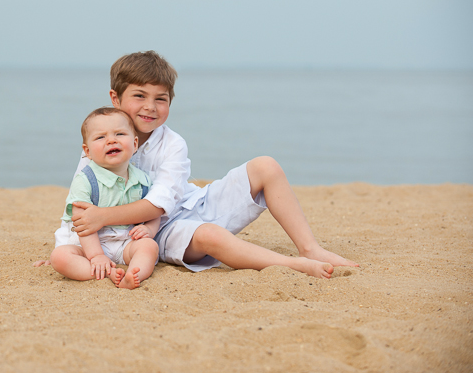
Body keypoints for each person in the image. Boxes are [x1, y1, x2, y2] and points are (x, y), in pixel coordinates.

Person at [37, 50, 357, 279]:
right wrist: (68, 247)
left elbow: (157, 202)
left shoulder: (172, 143)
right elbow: (82, 201)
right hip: (153, 232)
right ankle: (293, 265)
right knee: (212, 238)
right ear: (115, 98)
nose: (150, 107)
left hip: (185, 205)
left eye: (161, 99)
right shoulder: (101, 143)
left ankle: (310, 248)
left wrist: (102, 217)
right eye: (139, 96)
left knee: (265, 166)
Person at [50, 107, 160, 289]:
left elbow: (153, 210)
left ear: (134, 144)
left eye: (119, 134)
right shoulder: (85, 180)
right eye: (101, 137)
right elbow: (81, 223)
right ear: (88, 151)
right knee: (60, 257)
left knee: (149, 246)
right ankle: (107, 272)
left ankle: (134, 274)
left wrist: (149, 228)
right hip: (89, 244)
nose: (111, 140)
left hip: (126, 243)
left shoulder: (143, 179)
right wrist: (96, 256)